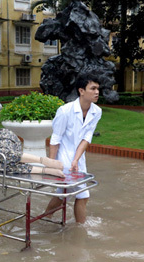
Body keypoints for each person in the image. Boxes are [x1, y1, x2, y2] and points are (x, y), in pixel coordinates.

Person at [43, 74, 102, 224]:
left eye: (98, 89)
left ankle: (45, 218)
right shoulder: (65, 111)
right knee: (81, 194)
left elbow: (86, 138)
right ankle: (80, 229)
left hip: (78, 158)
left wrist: (76, 159)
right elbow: (55, 139)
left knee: (65, 194)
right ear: (81, 91)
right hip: (62, 157)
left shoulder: (96, 112)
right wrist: (51, 163)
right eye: (93, 88)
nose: (97, 92)